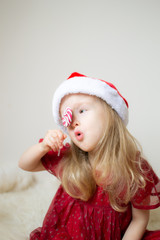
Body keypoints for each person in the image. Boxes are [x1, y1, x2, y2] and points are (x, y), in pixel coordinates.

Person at [19, 72, 160, 240]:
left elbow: (140, 219)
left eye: (82, 110)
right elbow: (25, 164)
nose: (73, 122)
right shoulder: (69, 158)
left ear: (111, 115)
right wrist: (43, 146)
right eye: (67, 117)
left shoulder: (134, 168)